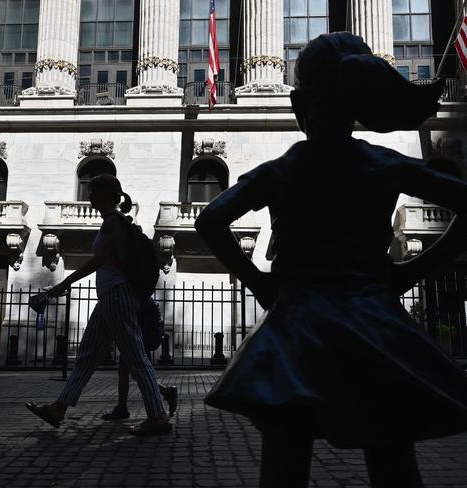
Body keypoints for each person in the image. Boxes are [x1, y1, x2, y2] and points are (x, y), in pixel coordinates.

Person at [194, 32, 467, 488]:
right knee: (392, 455)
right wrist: (412, 272)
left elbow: (211, 220)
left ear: (302, 105)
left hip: (297, 323)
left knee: (284, 459)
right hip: (372, 318)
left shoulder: (283, 168)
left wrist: (258, 282)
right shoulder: (383, 164)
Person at [26, 174, 171, 436]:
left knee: (136, 357)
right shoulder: (113, 222)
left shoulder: (114, 222)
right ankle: (59, 408)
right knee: (87, 357)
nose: (89, 196)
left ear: (108, 195)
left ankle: (158, 415)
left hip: (117, 295)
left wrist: (65, 282)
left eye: (93, 191)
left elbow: (99, 260)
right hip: (110, 297)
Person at [101, 297, 178, 421]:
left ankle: (126, 408)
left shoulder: (137, 297)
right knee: (133, 371)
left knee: (137, 371)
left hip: (141, 323)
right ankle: (166, 393)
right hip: (143, 322)